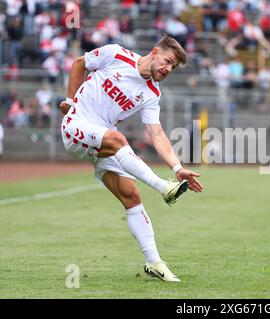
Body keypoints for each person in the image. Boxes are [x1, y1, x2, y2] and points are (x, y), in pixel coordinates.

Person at [58, 36, 204, 282]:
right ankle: (163, 187)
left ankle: (154, 262)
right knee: (118, 139)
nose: (168, 69)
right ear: (155, 52)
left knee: (132, 195)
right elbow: (79, 64)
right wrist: (71, 102)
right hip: (76, 126)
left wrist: (177, 167)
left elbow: (156, 132)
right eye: (167, 61)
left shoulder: (151, 93)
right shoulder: (116, 54)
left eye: (173, 67)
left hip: (100, 139)